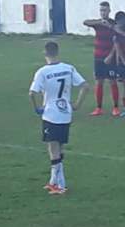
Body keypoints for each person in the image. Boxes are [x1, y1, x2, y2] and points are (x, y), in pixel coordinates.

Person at [29, 41, 89, 195]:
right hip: (65, 112)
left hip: (51, 114)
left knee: (53, 148)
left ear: (45, 53)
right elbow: (85, 86)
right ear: (57, 52)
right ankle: (53, 181)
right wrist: (77, 104)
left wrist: (37, 108)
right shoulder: (68, 68)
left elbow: (32, 93)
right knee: (59, 147)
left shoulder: (42, 72)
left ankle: (61, 185)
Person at [83, 1, 120, 117]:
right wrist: (99, 22)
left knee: (112, 81)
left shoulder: (113, 24)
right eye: (101, 10)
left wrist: (110, 56)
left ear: (109, 11)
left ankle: (116, 107)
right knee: (99, 81)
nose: (103, 12)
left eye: (105, 10)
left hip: (110, 57)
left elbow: (117, 42)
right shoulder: (98, 23)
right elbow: (85, 22)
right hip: (98, 56)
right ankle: (98, 108)